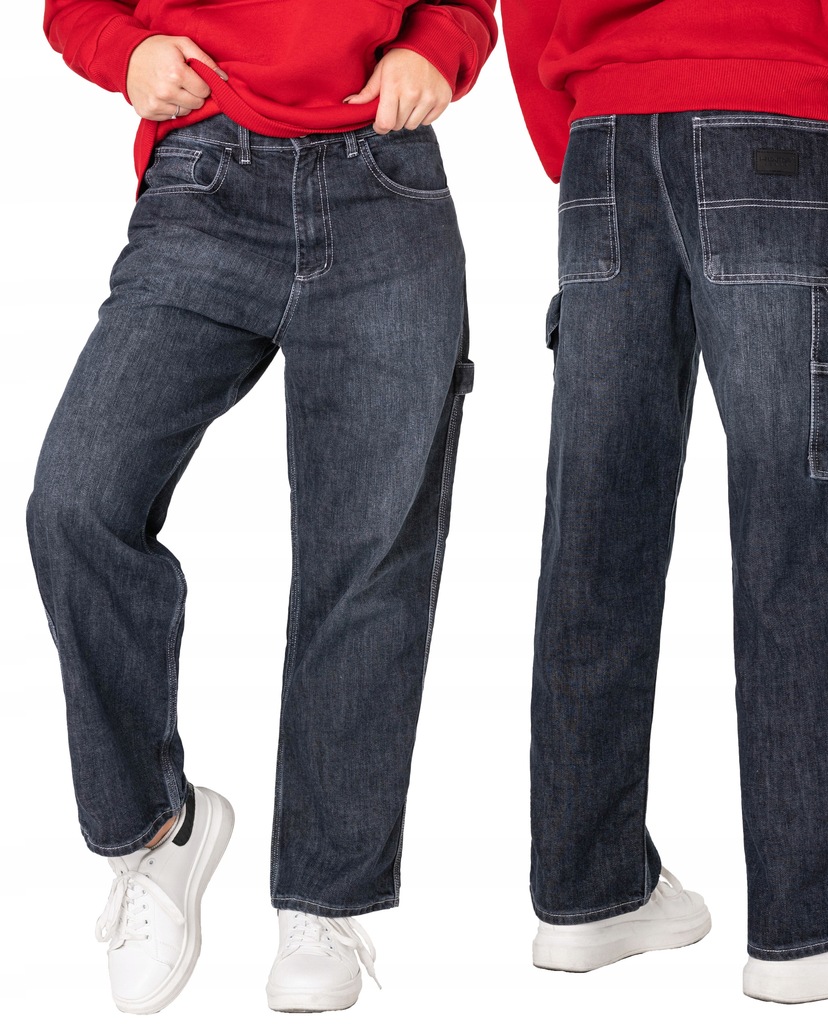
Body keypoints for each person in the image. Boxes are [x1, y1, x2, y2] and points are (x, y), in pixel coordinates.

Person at [28, 0, 496, 1014]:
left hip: (384, 182)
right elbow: (75, 8)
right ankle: (157, 830)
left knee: (370, 552)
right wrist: (127, 50)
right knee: (76, 501)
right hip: (205, 182)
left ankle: (323, 897)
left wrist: (434, 48)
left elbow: (463, 9)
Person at [501, 0, 828, 1004]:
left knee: (595, 523)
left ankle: (589, 895)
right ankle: (813, 924)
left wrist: (587, 140)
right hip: (775, 126)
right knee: (798, 520)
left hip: (606, 144)